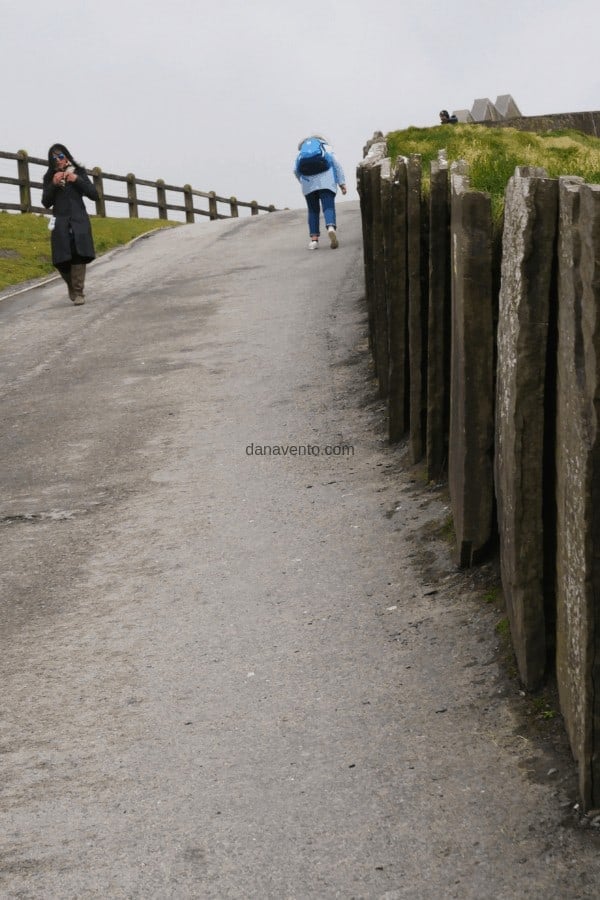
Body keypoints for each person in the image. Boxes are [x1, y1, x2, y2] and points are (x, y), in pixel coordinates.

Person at [42, 143, 98, 306]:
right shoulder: (49, 177)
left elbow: (94, 194)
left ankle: (79, 291)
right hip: (59, 222)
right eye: (54, 158)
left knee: (78, 254)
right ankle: (71, 285)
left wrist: (77, 179)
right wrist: (53, 184)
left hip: (78, 219)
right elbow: (46, 202)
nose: (58, 160)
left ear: (66, 156)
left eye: (60, 156)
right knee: (61, 258)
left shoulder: (78, 172)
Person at [294, 135, 347, 250]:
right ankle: (331, 227)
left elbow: (296, 170)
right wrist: (342, 183)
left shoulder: (302, 153)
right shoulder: (326, 147)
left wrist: (303, 182)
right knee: (328, 207)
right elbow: (337, 165)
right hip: (326, 181)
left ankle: (314, 240)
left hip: (308, 184)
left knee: (313, 211)